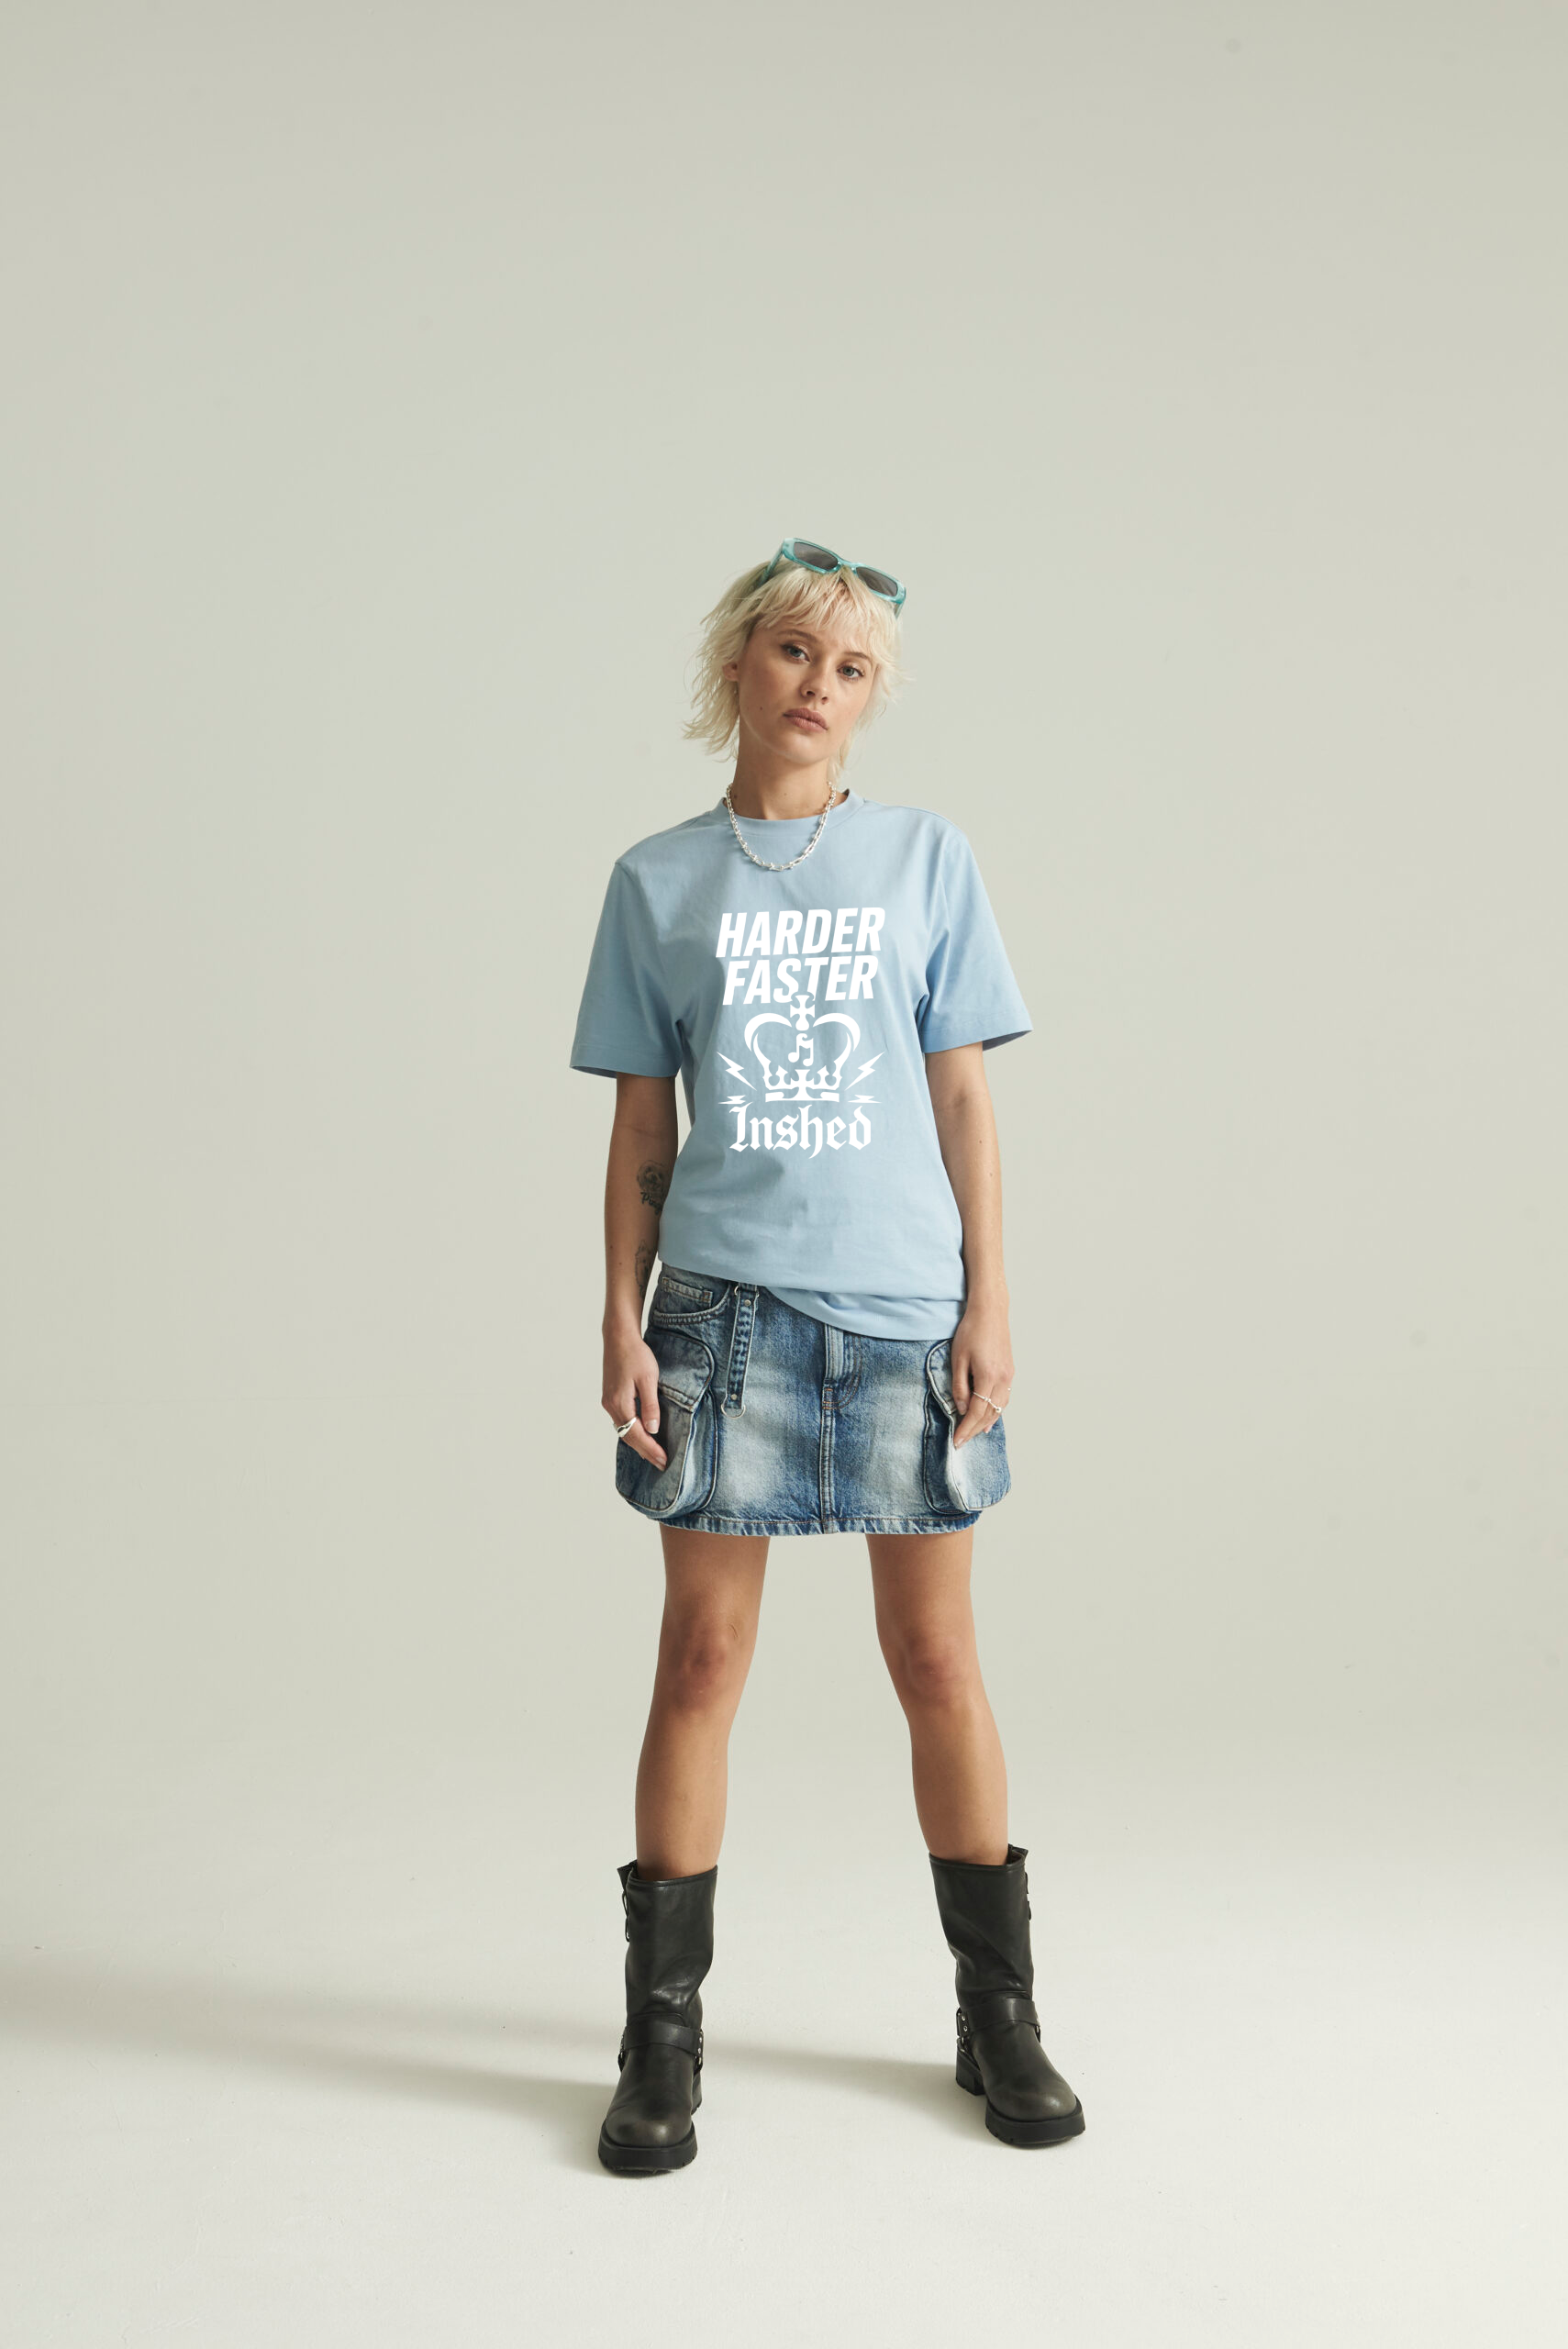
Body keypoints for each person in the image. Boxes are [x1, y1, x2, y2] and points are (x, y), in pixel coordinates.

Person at [570, 539, 1084, 2173]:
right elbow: (643, 1124)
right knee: (699, 1661)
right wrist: (618, 1313)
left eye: (852, 667)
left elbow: (963, 1098)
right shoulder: (657, 881)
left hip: (906, 1312)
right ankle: (662, 2042)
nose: (819, 686)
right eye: (795, 652)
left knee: (937, 1660)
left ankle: (998, 2016)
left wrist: (991, 1300)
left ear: (873, 698)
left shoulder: (927, 858)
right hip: (721, 1314)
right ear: (738, 662)